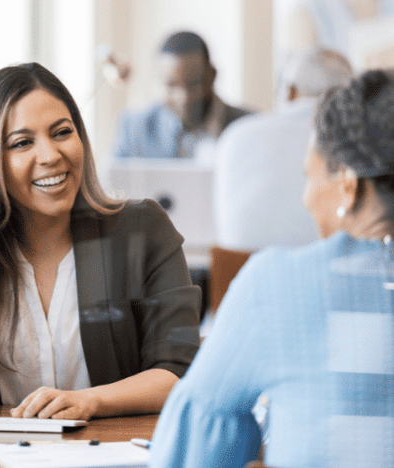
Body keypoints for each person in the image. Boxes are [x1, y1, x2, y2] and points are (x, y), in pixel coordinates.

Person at [0, 62, 201, 420]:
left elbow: (178, 371)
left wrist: (90, 401)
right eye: (22, 143)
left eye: (61, 132)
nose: (50, 156)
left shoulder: (142, 229)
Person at [149, 70, 394, 467]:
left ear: (348, 185)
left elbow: (193, 448)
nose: (306, 197)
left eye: (309, 176)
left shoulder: (280, 284)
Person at [213, 48, 354, 251]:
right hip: (321, 270)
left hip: (233, 272)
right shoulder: (352, 141)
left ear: (290, 91)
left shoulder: (234, 135)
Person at [109, 30, 251, 161]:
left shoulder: (248, 127)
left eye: (195, 83)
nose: (184, 98)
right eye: (171, 85)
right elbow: (109, 185)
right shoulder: (135, 128)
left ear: (212, 76)